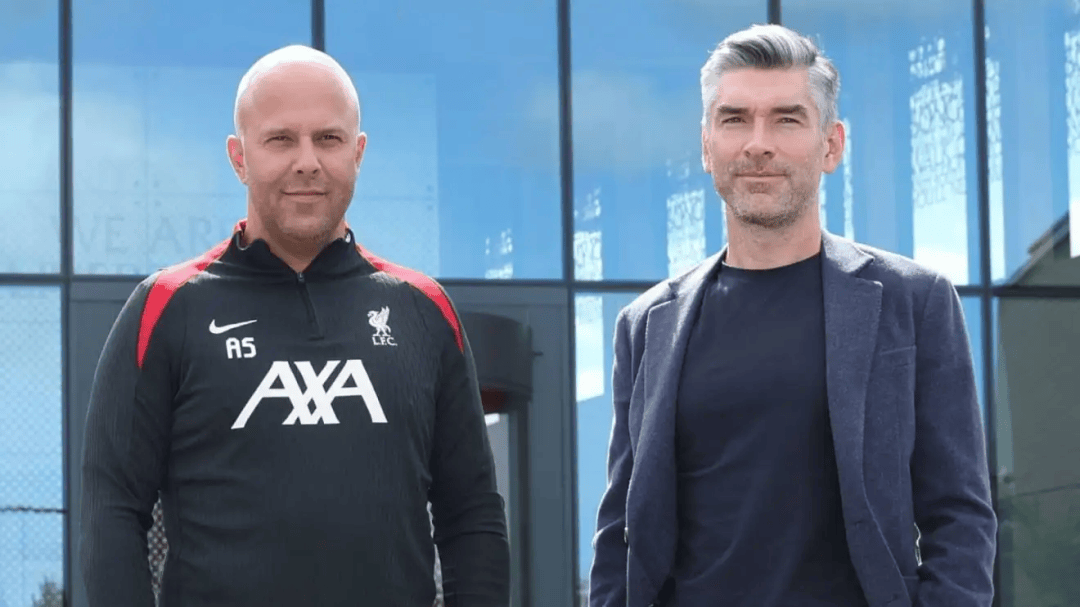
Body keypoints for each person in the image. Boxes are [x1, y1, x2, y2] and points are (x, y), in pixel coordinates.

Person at [80, 45, 510, 606]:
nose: (307, 161)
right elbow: (112, 510)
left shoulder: (424, 310)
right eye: (281, 139)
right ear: (239, 157)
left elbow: (472, 514)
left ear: (358, 152)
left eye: (328, 138)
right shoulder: (165, 308)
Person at [589, 24, 996, 607]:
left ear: (831, 145)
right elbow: (620, 530)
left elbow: (959, 515)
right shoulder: (648, 323)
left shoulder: (914, 301)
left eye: (786, 119)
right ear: (706, 146)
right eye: (735, 119)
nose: (758, 144)